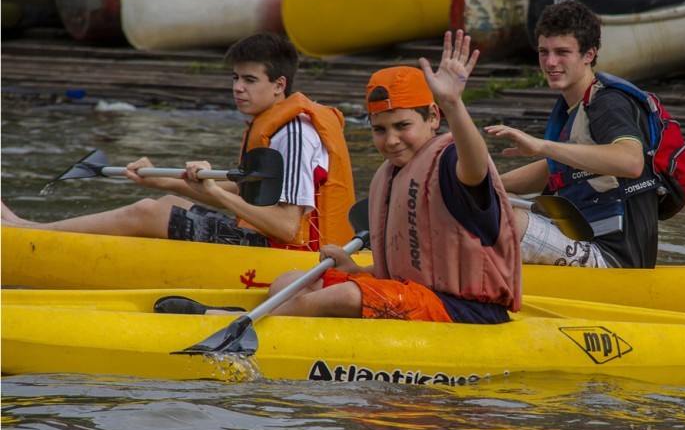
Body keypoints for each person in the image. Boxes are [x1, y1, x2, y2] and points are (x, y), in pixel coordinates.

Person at [160, 30, 522, 322]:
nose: (391, 140)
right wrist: (360, 268)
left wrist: (454, 104)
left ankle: (227, 321)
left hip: (465, 311)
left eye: (402, 126)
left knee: (347, 295)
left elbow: (475, 166)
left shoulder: (451, 159)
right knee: (291, 281)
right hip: (411, 294)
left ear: (433, 117)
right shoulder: (391, 174)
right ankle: (274, 319)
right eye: (380, 129)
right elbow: (411, 264)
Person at [1, 32, 355, 251]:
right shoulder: (272, 126)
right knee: (167, 197)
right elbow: (251, 197)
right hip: (269, 239)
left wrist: (214, 192)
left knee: (149, 211)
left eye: (249, 80)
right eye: (235, 78)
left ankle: (33, 235)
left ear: (279, 85)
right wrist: (162, 177)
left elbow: (288, 228)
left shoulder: (293, 134)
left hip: (296, 257)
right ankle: (29, 229)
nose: (237, 88)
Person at [485, 0, 658, 268]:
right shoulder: (575, 105)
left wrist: (542, 146)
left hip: (613, 258)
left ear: (589, 54)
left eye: (562, 52)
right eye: (544, 52)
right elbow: (558, 168)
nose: (550, 62)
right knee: (481, 201)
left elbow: (631, 161)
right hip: (582, 240)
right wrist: (488, 184)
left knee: (500, 216)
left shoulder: (608, 103)